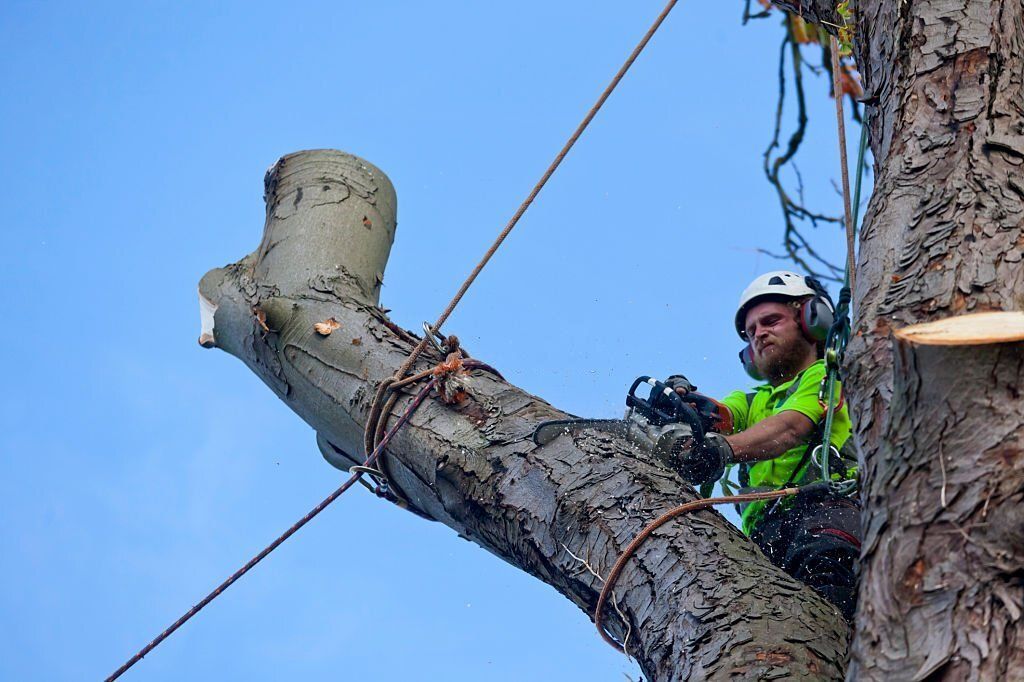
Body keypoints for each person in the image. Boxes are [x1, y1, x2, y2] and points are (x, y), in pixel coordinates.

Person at [661, 271, 861, 618]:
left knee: (829, 600)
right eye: (751, 332)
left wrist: (724, 449)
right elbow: (722, 414)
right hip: (764, 536)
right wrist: (685, 409)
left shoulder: (829, 375)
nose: (760, 334)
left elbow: (790, 427)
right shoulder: (753, 400)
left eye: (771, 321)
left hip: (826, 512)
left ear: (811, 319)